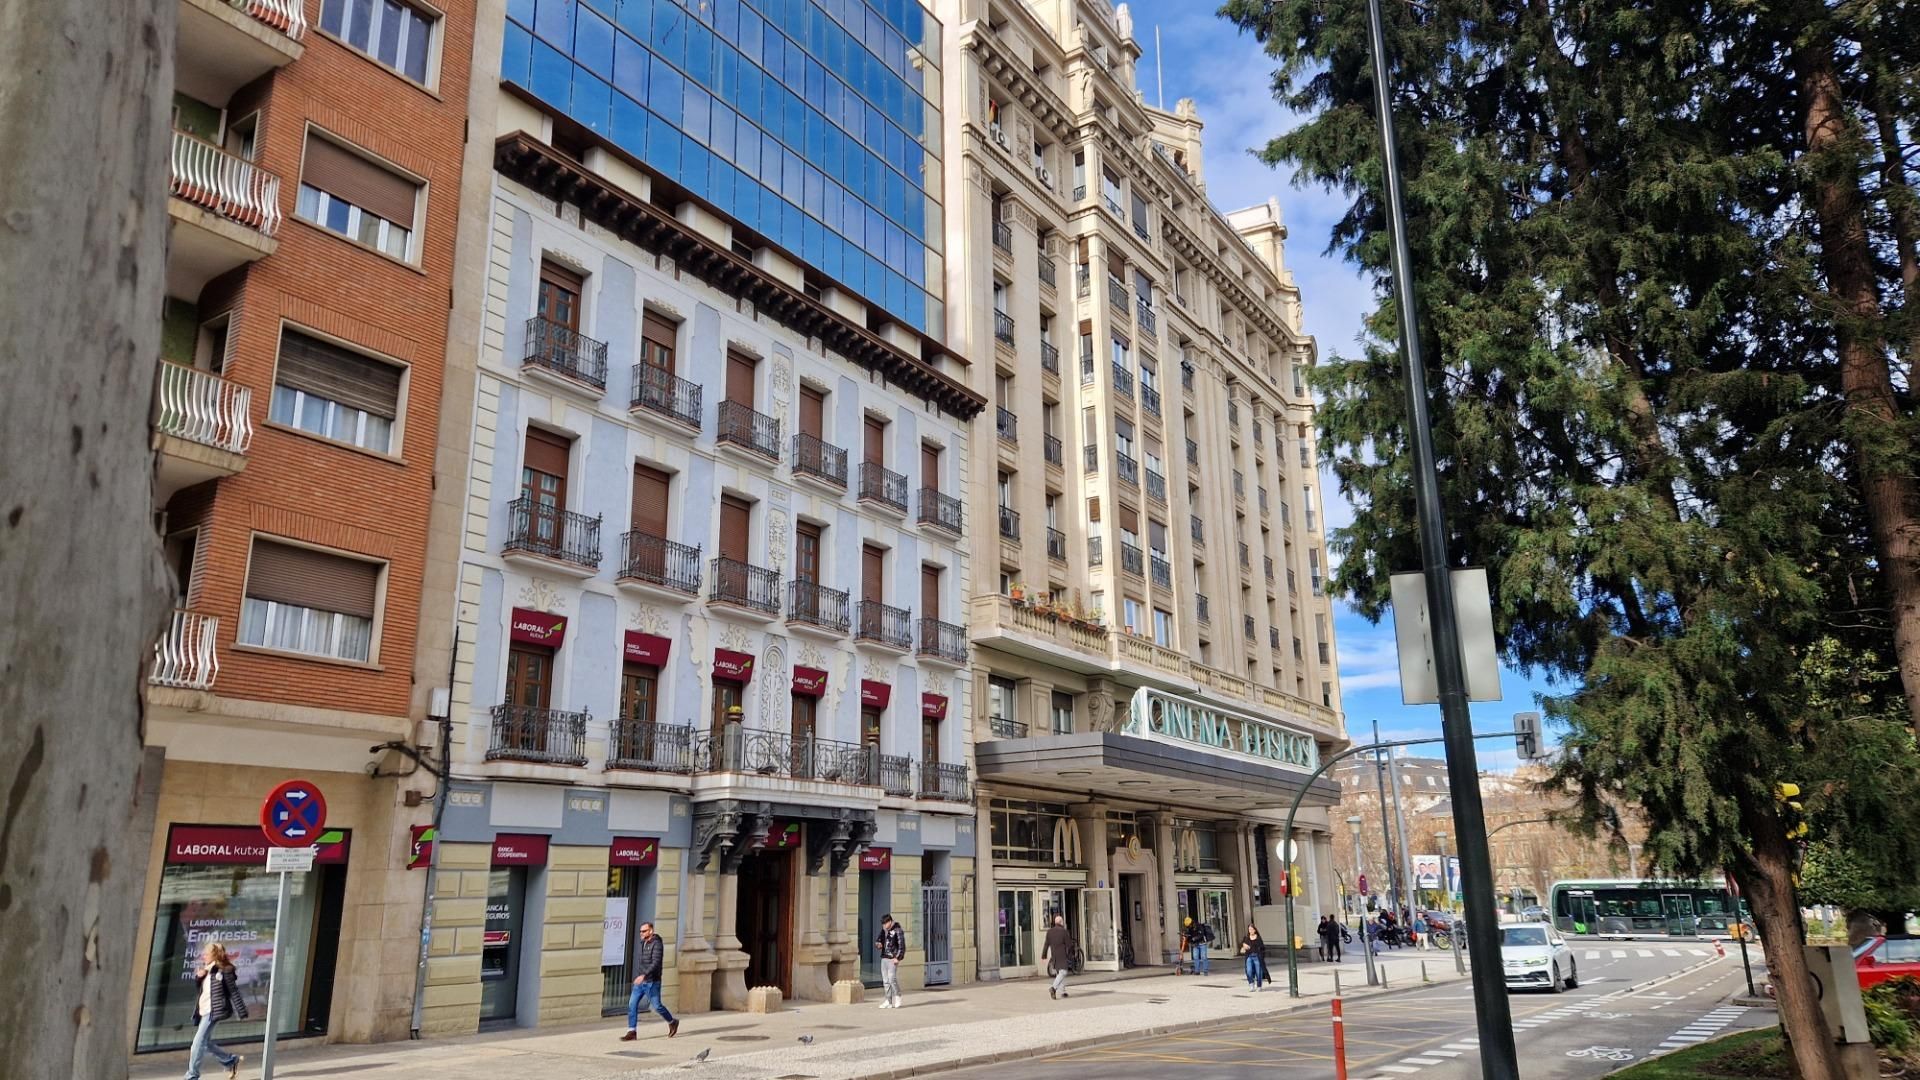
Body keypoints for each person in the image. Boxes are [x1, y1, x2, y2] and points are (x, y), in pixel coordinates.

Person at [184, 941, 247, 1080]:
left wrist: (241, 1011)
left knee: (197, 1044)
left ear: (214, 955)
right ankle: (230, 1060)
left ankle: (192, 1076)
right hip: (203, 1010)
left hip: (214, 1011)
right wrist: (199, 978)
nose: (203, 956)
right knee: (204, 1042)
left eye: (206, 953)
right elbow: (203, 991)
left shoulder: (225, 970)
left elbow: (233, 991)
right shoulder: (206, 969)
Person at [621, 921, 679, 1040]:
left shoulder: (657, 944)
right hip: (640, 982)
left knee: (657, 1006)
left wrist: (644, 975)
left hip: (652, 981)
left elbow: (656, 963)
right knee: (632, 1005)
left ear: (651, 931)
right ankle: (632, 1031)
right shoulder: (643, 943)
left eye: (644, 931)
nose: (641, 933)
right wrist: (640, 976)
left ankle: (672, 1022)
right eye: (640, 931)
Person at [876, 913, 907, 1008]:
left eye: (885, 924)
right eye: (883, 924)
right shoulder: (884, 930)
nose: (884, 926)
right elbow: (879, 939)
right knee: (885, 981)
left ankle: (898, 996)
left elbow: (902, 946)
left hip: (893, 958)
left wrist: (898, 957)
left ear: (890, 922)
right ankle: (888, 1001)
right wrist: (878, 944)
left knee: (891, 979)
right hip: (884, 957)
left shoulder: (898, 930)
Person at [1042, 913, 1077, 999]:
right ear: (1061, 922)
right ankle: (1053, 988)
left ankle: (1063, 991)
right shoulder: (1064, 931)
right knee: (1063, 972)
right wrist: (1072, 954)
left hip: (1054, 955)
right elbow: (1069, 945)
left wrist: (1043, 956)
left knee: (1059, 973)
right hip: (1062, 955)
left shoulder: (1049, 932)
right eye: (1063, 921)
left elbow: (1046, 944)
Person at [1238, 924, 1269, 991]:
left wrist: (1261, 956)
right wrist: (1244, 946)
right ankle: (1251, 984)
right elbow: (1242, 945)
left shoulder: (1258, 938)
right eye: (1249, 929)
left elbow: (1262, 948)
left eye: (1251, 929)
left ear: (1255, 930)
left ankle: (1259, 985)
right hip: (1249, 956)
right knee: (1248, 971)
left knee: (1258, 972)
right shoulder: (1246, 938)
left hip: (1257, 956)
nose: (1250, 931)